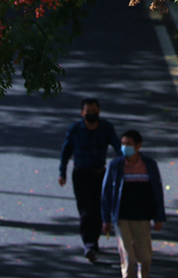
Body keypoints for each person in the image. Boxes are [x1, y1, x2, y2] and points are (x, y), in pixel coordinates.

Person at [59, 98, 119, 263]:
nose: (91, 114)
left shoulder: (106, 128)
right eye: (88, 112)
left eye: (94, 111)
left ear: (99, 112)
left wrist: (126, 164)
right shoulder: (76, 129)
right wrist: (62, 172)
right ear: (82, 113)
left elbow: (117, 146)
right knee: (86, 211)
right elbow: (66, 150)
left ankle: (94, 241)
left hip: (100, 174)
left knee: (100, 208)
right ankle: (89, 244)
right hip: (81, 175)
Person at [101, 130, 166, 278]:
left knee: (145, 257)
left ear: (138, 146)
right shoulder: (116, 166)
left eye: (128, 144)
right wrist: (106, 219)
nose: (124, 147)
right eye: (123, 144)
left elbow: (157, 191)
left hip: (142, 217)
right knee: (128, 259)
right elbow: (106, 193)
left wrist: (159, 217)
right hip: (122, 217)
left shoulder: (149, 165)